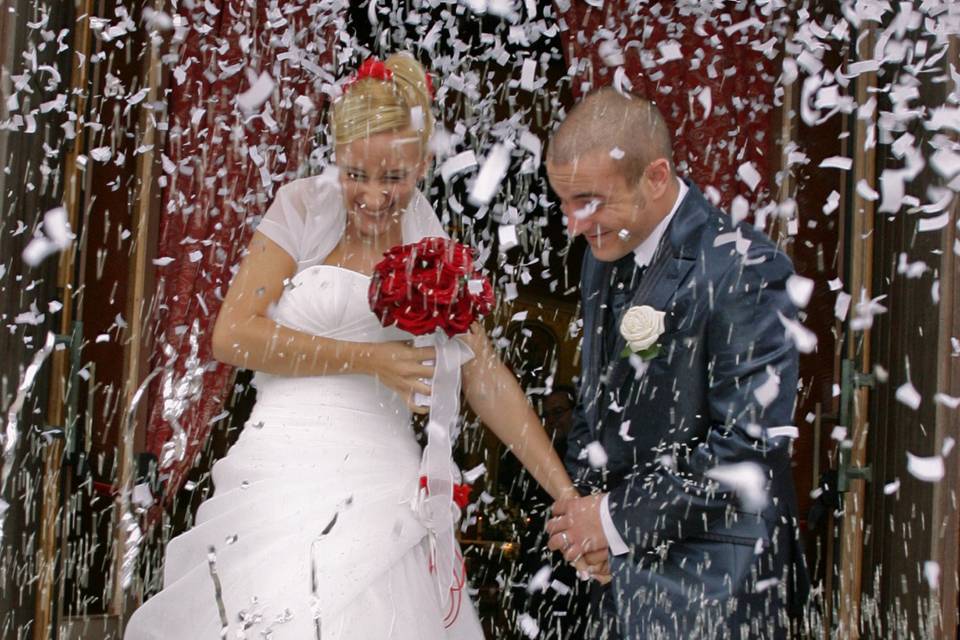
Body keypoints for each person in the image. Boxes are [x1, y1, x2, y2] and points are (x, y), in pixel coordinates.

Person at [124, 53, 581, 640]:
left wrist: (565, 492)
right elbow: (233, 335)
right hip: (279, 473)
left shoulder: (431, 241)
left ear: (421, 162)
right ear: (337, 156)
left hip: (385, 483)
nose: (371, 196)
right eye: (355, 174)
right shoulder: (300, 208)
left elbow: (482, 375)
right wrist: (371, 359)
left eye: (393, 178)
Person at [543, 88, 809, 639]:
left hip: (714, 587)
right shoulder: (603, 257)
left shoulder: (743, 266)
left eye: (589, 201)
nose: (573, 224)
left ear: (657, 177)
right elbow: (597, 408)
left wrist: (612, 519)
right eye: (565, 202)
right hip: (621, 584)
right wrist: (587, 524)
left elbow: (747, 448)